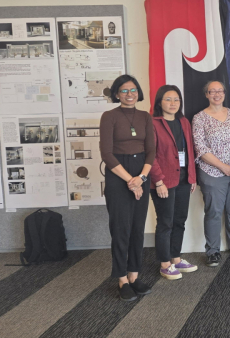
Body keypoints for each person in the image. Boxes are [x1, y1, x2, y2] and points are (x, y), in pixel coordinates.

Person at [99, 74, 155, 301]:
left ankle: (134, 275)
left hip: (141, 171)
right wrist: (130, 180)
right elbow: (106, 153)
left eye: (133, 90)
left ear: (138, 93)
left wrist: (141, 178)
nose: (129, 94)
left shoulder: (145, 116)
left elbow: (151, 151)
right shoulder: (109, 116)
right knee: (121, 228)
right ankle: (122, 278)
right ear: (116, 94)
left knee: (137, 228)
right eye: (124, 90)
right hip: (118, 173)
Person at [192, 81, 230, 268]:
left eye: (220, 91)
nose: (217, 94)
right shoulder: (199, 118)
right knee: (214, 212)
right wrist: (223, 167)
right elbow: (201, 148)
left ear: (225, 93)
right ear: (207, 94)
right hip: (211, 172)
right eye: (212, 91)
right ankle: (212, 251)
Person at [148, 85, 198, 280]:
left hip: (183, 179)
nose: (173, 103)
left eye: (176, 99)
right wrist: (158, 181)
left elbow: (190, 151)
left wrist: (192, 177)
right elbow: (150, 155)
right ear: (160, 102)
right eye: (168, 99)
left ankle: (175, 258)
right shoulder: (153, 123)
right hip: (163, 181)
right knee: (165, 222)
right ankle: (164, 264)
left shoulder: (183, 121)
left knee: (179, 220)